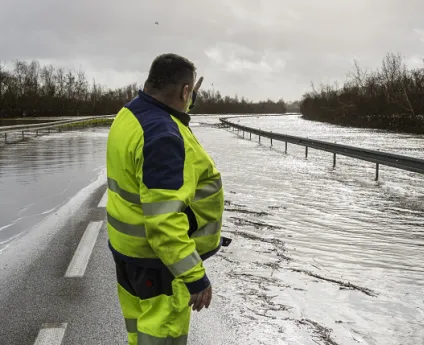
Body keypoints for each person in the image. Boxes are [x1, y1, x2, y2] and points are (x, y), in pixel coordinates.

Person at [106, 53, 230, 345]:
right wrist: (194, 275)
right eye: (188, 95)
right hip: (159, 262)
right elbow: (164, 219)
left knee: (140, 332)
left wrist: (184, 105)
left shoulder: (130, 115)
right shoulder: (163, 135)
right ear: (185, 91)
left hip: (128, 252)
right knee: (162, 336)